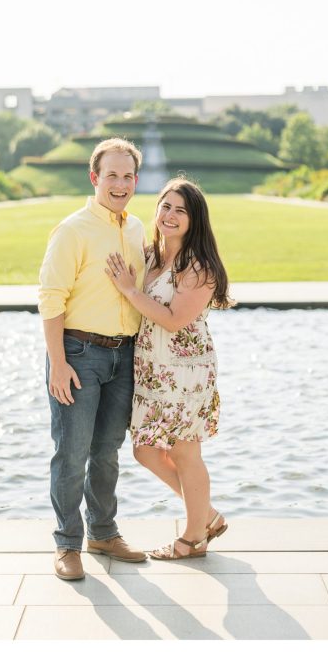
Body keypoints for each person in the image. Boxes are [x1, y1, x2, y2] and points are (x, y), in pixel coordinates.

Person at [38, 137, 149, 581]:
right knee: (72, 454)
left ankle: (103, 532)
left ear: (135, 180)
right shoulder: (73, 230)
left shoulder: (137, 228)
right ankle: (68, 544)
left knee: (107, 453)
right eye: (111, 176)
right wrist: (58, 363)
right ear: (94, 178)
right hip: (78, 355)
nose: (119, 184)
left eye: (127, 176)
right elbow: (50, 298)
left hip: (124, 357)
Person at [105, 176, 232, 560]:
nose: (171, 215)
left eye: (181, 210)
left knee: (184, 451)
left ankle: (193, 538)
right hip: (152, 370)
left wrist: (130, 290)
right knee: (145, 450)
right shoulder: (150, 256)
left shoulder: (199, 265)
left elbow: (174, 319)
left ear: (195, 220)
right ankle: (206, 514)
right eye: (166, 206)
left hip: (184, 372)